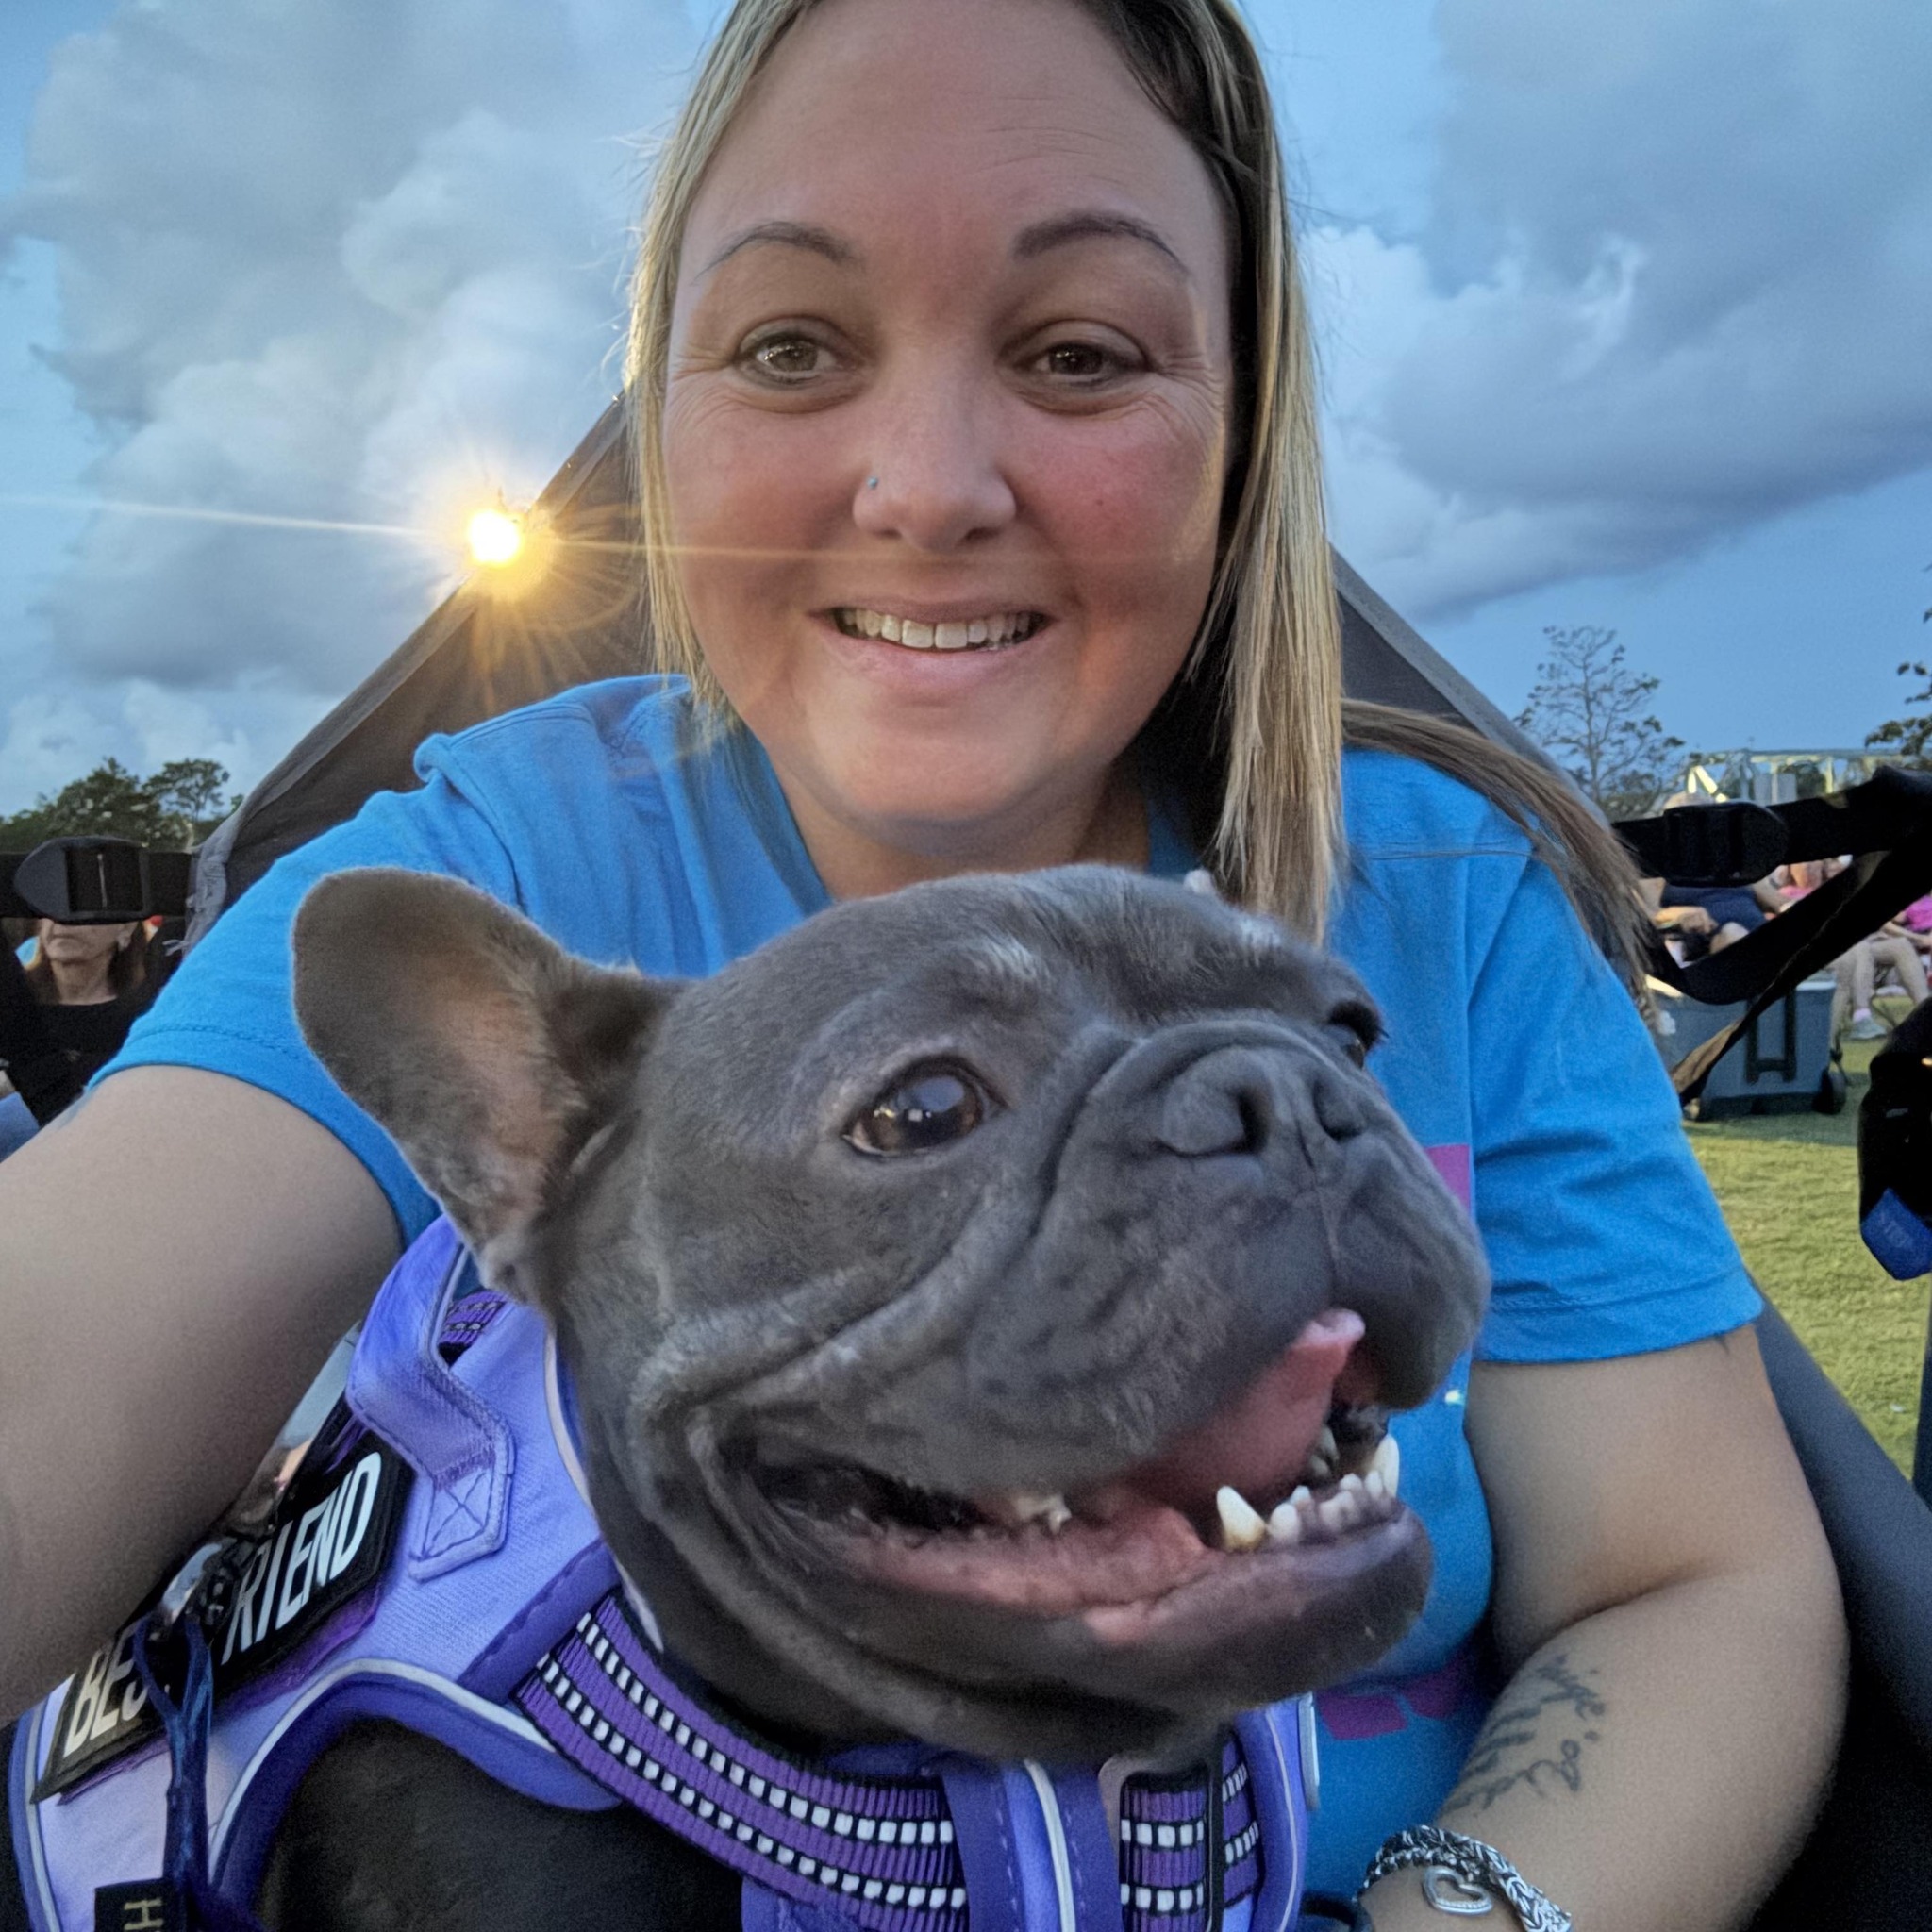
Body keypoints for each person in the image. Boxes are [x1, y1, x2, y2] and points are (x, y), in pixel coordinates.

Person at [0, 2, 1842, 1927]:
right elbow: (45, 1377)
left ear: (1239, 423)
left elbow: (1695, 1576)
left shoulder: (1443, 881)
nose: (930, 483)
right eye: (795, 345)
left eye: (1078, 353)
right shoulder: (520, 862)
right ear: (666, 403)